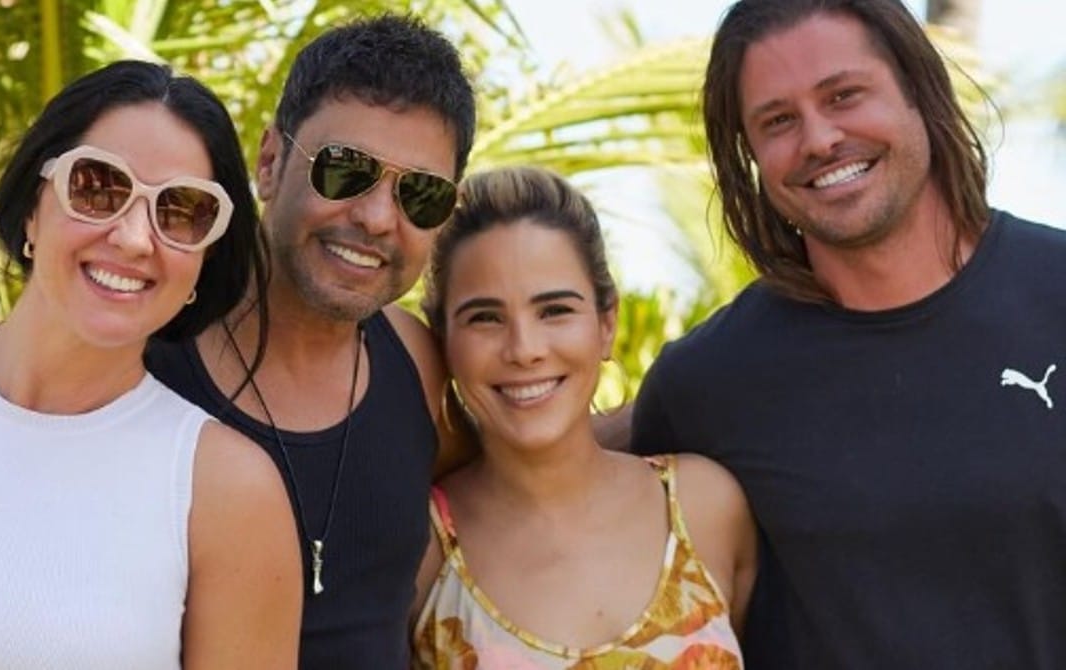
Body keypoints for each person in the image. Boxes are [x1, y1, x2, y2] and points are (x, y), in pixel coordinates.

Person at [630, 0, 1066, 667]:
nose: (819, 139)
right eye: (778, 121)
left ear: (919, 89)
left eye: (844, 96)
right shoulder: (707, 386)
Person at [0, 60, 301, 668]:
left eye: (181, 211)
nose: (134, 238)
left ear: (205, 260)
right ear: (31, 207)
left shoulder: (228, 493)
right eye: (98, 186)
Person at [143, 14, 476, 667]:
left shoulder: (418, 362)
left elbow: (516, 471)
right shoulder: (147, 353)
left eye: (420, 194)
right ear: (270, 162)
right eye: (345, 170)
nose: (377, 218)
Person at [411, 166, 756, 668]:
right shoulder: (419, 548)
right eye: (485, 317)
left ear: (606, 323)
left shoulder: (704, 505)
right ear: (443, 339)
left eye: (554, 310)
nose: (524, 349)